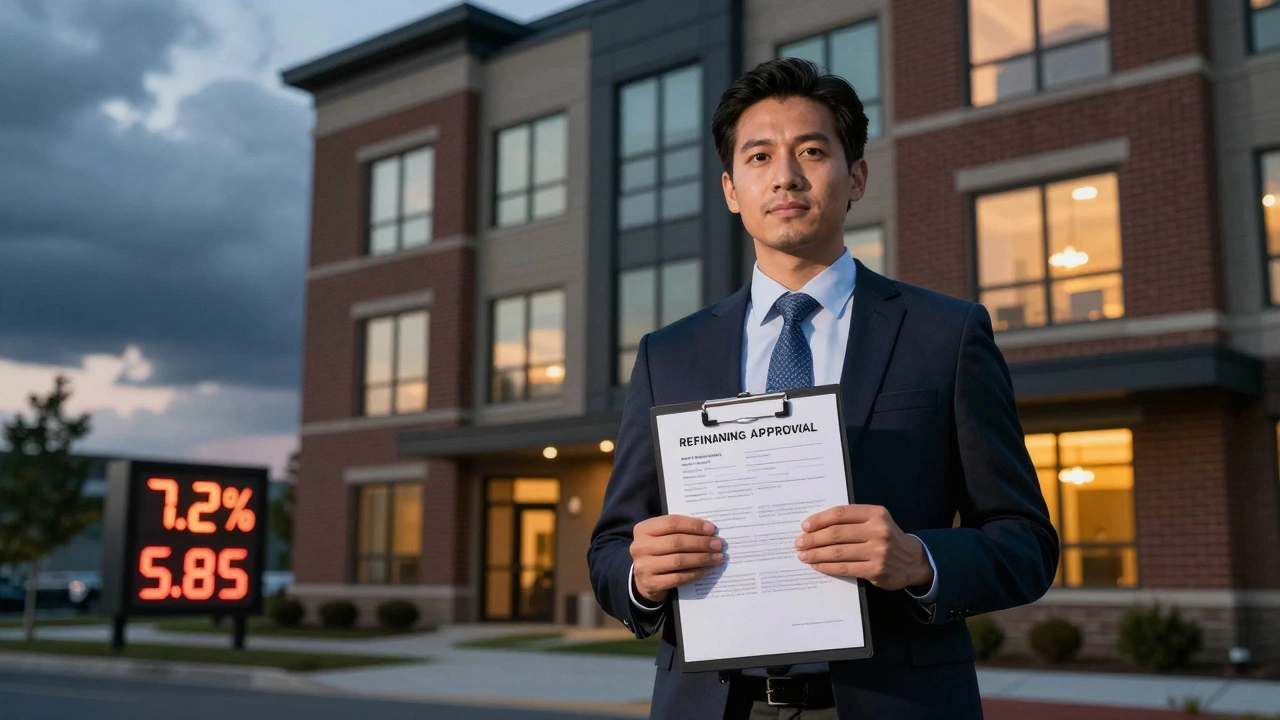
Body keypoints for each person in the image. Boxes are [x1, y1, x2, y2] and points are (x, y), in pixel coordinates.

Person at [587, 58, 1058, 720]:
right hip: (714, 705)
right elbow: (610, 547)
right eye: (759, 157)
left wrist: (919, 560)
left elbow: (1027, 544)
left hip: (897, 701)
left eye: (811, 151)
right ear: (730, 189)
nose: (786, 176)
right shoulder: (669, 354)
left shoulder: (945, 336)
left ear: (856, 176)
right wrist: (640, 576)